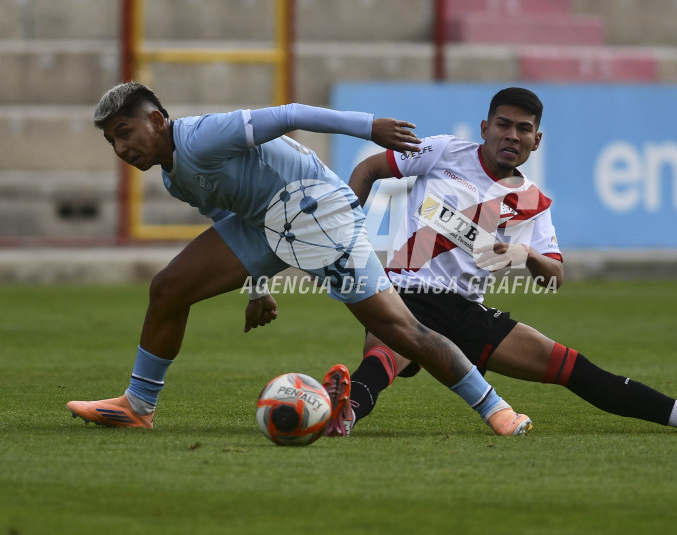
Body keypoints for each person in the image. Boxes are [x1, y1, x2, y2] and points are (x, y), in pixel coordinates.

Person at [66, 82, 532, 436]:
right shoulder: (174, 175)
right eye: (112, 141)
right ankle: (138, 406)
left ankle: (496, 409)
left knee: (401, 331)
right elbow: (226, 214)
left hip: (319, 214)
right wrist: (258, 287)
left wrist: (369, 127)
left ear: (157, 120)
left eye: (125, 132)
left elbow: (290, 114)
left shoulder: (202, 137)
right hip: (266, 224)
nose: (121, 148)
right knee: (169, 288)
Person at [323, 87, 677, 437]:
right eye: (503, 124)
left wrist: (527, 255)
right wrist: (346, 233)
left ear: (536, 140)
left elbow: (554, 276)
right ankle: (345, 413)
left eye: (523, 129)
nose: (512, 135)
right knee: (386, 355)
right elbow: (369, 168)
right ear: (484, 129)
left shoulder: (533, 203)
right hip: (406, 293)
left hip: (465, 311)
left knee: (571, 367)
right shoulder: (445, 151)